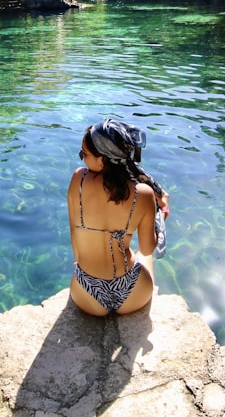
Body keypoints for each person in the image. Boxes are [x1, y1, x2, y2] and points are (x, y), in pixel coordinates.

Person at [67, 118, 170, 316]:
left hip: (86, 294)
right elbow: (148, 248)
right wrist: (162, 212)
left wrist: (80, 262)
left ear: (102, 159)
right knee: (139, 256)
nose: (82, 159)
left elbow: (74, 232)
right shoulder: (144, 193)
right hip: (132, 293)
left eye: (84, 154)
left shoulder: (78, 179)